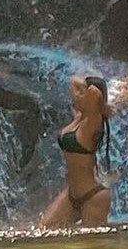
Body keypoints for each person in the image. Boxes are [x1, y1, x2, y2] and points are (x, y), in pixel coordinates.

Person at [39, 75, 113, 229]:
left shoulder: (93, 122)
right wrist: (84, 93)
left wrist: (102, 106)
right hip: (71, 195)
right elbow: (74, 80)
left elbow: (94, 92)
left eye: (82, 93)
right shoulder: (79, 118)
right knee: (45, 228)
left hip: (93, 196)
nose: (76, 95)